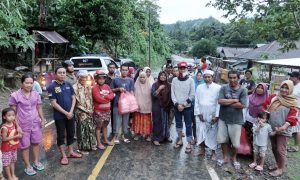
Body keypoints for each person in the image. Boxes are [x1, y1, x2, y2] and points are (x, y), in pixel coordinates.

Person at [8, 73, 45, 175]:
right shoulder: (15, 96)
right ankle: (27, 166)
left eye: (31, 83)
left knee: (36, 142)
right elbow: (12, 113)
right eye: (26, 83)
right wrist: (17, 126)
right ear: (22, 83)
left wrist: (42, 119)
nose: (29, 85)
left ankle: (36, 162)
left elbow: (39, 107)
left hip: (35, 122)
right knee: (25, 146)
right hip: (23, 124)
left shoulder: (36, 94)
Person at [263, 80, 299, 177]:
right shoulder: (274, 97)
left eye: (287, 88)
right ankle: (277, 164)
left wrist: (283, 127)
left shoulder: (294, 102)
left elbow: (293, 117)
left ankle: (280, 169)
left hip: (284, 129)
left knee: (280, 149)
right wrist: (264, 119)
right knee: (274, 148)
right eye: (282, 87)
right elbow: (266, 107)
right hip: (272, 128)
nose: (284, 90)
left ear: (290, 89)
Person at [47, 66, 82, 166]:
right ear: (55, 74)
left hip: (70, 115)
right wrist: (66, 113)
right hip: (60, 116)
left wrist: (70, 112)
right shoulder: (51, 87)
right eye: (60, 73)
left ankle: (71, 152)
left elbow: (73, 98)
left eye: (63, 72)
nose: (62, 74)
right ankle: (64, 156)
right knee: (61, 135)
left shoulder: (68, 84)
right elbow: (54, 103)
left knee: (71, 133)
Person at [217, 70, 247, 169]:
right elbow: (220, 101)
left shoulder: (243, 90)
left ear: (238, 78)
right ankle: (225, 157)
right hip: (223, 118)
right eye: (230, 77)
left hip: (236, 120)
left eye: (234, 77)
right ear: (228, 78)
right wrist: (234, 100)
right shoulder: (224, 88)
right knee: (223, 140)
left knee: (235, 143)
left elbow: (242, 105)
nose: (232, 79)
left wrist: (227, 102)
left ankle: (234, 158)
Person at [194, 70, 221, 160]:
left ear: (212, 78)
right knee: (200, 133)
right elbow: (196, 101)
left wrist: (217, 116)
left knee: (213, 134)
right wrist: (198, 113)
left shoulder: (218, 87)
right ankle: (202, 150)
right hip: (201, 114)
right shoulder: (199, 87)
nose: (207, 78)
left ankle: (213, 152)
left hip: (212, 114)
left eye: (209, 77)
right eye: (205, 77)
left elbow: (218, 103)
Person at [171, 61, 195, 153]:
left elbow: (192, 95)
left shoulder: (191, 80)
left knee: (188, 125)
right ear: (178, 69)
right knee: (178, 124)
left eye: (184, 68)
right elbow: (172, 94)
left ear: (186, 68)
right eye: (180, 68)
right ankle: (180, 140)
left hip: (187, 107)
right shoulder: (174, 80)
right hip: (177, 107)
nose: (182, 69)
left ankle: (189, 142)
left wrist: (184, 105)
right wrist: (177, 104)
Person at [73, 70, 96, 154]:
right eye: (82, 77)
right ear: (78, 78)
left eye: (85, 77)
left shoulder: (87, 86)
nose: (84, 79)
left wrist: (91, 109)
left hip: (90, 111)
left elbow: (90, 98)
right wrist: (87, 111)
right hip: (81, 112)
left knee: (90, 128)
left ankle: (90, 145)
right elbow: (77, 103)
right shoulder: (74, 87)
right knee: (81, 130)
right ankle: (82, 148)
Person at [111, 64, 134, 144]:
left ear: (128, 71)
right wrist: (118, 89)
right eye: (123, 70)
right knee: (117, 120)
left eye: (126, 70)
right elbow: (111, 90)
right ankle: (116, 136)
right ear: (120, 70)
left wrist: (132, 102)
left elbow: (132, 92)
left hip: (126, 105)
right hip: (117, 103)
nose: (124, 71)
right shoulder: (115, 80)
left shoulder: (130, 80)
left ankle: (123, 136)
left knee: (125, 121)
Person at [92, 70, 115, 149]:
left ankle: (105, 140)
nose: (101, 80)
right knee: (98, 127)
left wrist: (106, 97)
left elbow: (112, 95)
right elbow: (98, 99)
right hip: (99, 111)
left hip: (107, 110)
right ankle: (99, 143)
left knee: (105, 126)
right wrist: (108, 98)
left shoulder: (107, 86)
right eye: (99, 78)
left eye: (103, 78)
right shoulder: (95, 88)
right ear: (96, 79)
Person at [151, 71, 173, 146]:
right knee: (157, 122)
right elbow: (153, 95)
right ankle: (156, 138)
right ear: (159, 76)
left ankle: (166, 136)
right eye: (161, 75)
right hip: (157, 106)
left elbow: (171, 95)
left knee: (165, 122)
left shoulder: (169, 85)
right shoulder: (155, 84)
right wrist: (159, 89)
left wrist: (169, 104)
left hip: (166, 106)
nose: (163, 77)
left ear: (166, 77)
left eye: (164, 75)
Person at [1, 108, 21, 180]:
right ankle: (9, 177)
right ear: (4, 117)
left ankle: (13, 175)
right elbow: (4, 139)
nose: (12, 117)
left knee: (13, 161)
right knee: (7, 163)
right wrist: (16, 136)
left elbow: (20, 133)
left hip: (13, 147)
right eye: (9, 115)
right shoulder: (4, 128)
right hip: (6, 149)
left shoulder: (14, 124)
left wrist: (18, 127)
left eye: (13, 115)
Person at [132, 72, 152, 141]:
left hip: (147, 107)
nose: (142, 79)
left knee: (147, 121)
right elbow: (133, 95)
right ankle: (138, 134)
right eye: (140, 77)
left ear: (146, 77)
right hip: (138, 107)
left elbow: (151, 97)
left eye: (143, 77)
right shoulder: (136, 85)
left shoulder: (149, 85)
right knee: (138, 121)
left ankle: (148, 134)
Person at [288, 71, 300, 152]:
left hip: (296, 110)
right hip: (289, 108)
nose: (290, 78)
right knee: (289, 126)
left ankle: (296, 146)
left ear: (297, 77)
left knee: (296, 129)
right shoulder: (291, 85)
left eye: (292, 76)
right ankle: (286, 143)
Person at [105, 63, 117, 134]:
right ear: (108, 68)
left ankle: (114, 130)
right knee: (105, 116)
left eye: (113, 68)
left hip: (115, 99)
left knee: (114, 115)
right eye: (110, 67)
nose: (112, 69)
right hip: (106, 100)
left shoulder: (117, 77)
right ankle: (103, 132)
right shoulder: (105, 78)